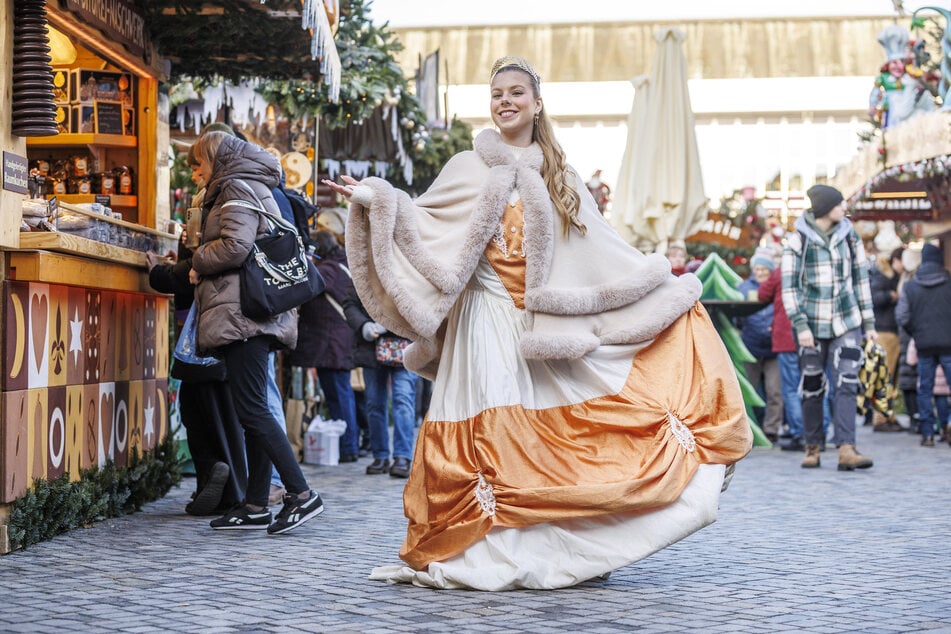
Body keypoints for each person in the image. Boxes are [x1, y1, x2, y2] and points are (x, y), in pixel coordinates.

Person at [324, 55, 751, 590]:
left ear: (537, 103)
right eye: (497, 92)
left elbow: (602, 251)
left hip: (536, 329)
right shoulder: (465, 166)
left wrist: (656, 287)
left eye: (516, 92)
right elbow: (423, 219)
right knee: (479, 429)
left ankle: (566, 544)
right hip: (480, 324)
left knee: (544, 435)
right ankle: (478, 547)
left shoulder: (562, 176)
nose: (505, 100)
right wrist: (377, 198)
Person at [189, 130, 324, 534]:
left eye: (198, 163)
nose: (195, 172)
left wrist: (197, 256)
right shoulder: (247, 184)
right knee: (254, 412)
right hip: (251, 314)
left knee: (252, 411)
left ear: (215, 159)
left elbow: (236, 246)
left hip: (244, 314)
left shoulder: (234, 187)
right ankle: (254, 504)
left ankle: (301, 494)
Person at [145, 148, 247, 516]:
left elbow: (207, 264)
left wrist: (163, 272)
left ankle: (216, 476)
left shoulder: (224, 203)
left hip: (214, 326)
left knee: (201, 405)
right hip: (227, 327)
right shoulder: (239, 197)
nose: (194, 175)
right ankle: (224, 483)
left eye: (198, 166)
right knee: (220, 409)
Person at [781, 184, 877, 471]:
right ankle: (813, 447)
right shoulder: (798, 240)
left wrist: (869, 323)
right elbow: (790, 287)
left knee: (847, 383)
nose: (844, 208)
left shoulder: (851, 237)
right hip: (811, 324)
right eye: (839, 204)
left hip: (847, 323)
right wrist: (801, 325)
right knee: (812, 385)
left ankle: (847, 448)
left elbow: (861, 281)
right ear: (825, 209)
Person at [285, 230, 362, 463]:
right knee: (341, 394)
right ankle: (348, 444)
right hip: (337, 342)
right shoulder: (342, 265)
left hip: (332, 344)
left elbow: (306, 286)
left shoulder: (328, 270)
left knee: (339, 395)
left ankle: (348, 446)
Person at [895, 243, 951, 447]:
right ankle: (948, 427)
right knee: (947, 389)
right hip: (948, 343)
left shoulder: (910, 287)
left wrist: (916, 332)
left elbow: (901, 316)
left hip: (924, 343)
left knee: (925, 389)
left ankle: (927, 433)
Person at [736, 247, 782, 443]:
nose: (761, 272)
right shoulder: (744, 288)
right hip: (751, 346)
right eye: (758, 268)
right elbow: (737, 314)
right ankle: (749, 429)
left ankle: (771, 429)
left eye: (765, 269)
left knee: (775, 391)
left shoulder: (776, 287)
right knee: (749, 391)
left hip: (773, 348)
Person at [867, 233, 904, 432]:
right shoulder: (883, 276)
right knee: (884, 375)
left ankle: (887, 415)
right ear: (895, 260)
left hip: (892, 331)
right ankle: (880, 418)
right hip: (884, 331)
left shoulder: (894, 276)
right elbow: (874, 298)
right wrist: (891, 295)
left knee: (890, 376)